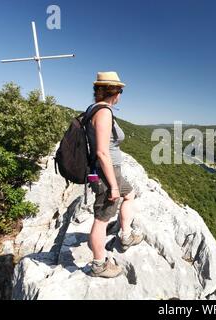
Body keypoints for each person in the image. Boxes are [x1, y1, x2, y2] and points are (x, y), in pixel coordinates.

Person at [86, 71, 143, 278]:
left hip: (110, 171)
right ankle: (99, 264)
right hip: (106, 173)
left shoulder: (93, 109)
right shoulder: (103, 112)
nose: (121, 94)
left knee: (130, 194)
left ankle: (125, 234)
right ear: (115, 92)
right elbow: (102, 152)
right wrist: (113, 185)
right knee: (101, 219)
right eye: (120, 90)